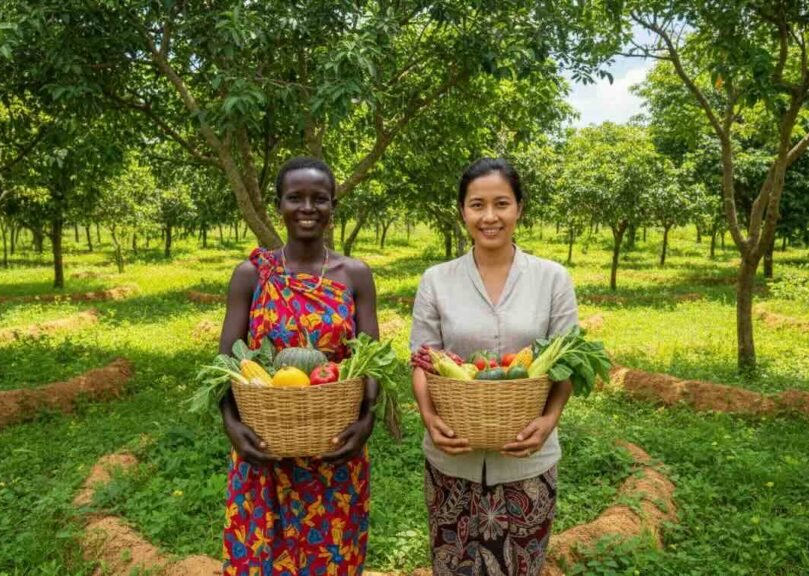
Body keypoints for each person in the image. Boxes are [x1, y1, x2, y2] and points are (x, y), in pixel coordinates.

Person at [409, 157, 579, 575]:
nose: (489, 217)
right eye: (476, 205)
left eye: (501, 204)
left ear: (519, 208)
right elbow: (422, 359)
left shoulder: (552, 279)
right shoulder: (437, 280)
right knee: (453, 566)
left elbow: (567, 361)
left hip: (527, 457)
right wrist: (429, 418)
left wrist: (549, 421)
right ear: (461, 212)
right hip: (453, 458)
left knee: (522, 566)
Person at [218, 156, 380, 575]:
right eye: (296, 198)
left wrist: (366, 422)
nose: (308, 207)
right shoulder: (252, 275)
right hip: (263, 452)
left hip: (335, 453)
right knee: (259, 560)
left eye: (319, 199)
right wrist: (232, 426)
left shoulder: (354, 275)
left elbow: (372, 361)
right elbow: (225, 363)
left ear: (333, 208)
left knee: (333, 559)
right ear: (279, 205)